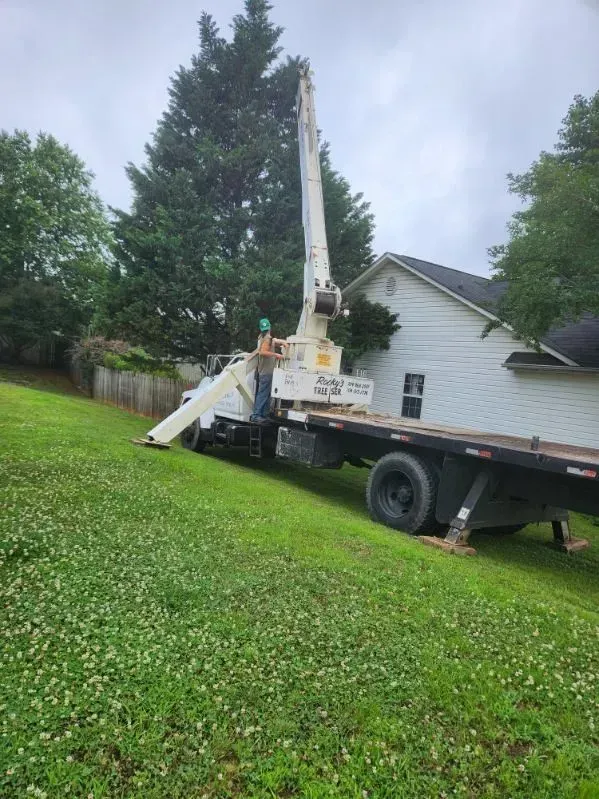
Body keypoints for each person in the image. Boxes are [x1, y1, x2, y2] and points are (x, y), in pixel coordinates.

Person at [250, 318, 286, 423]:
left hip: (263, 371)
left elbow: (270, 345)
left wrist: (282, 343)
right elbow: (262, 352)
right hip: (266, 372)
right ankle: (256, 415)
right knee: (263, 394)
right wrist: (276, 354)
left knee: (265, 394)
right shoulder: (267, 338)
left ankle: (264, 415)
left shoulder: (261, 337)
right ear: (269, 327)